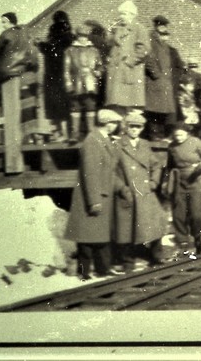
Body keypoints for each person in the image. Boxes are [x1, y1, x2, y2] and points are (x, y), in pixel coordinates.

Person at [64, 109, 124, 280]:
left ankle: (103, 269)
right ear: (107, 123)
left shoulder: (103, 140)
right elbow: (90, 173)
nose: (115, 127)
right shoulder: (92, 141)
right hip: (93, 197)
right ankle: (84, 273)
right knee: (86, 238)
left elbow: (110, 169)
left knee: (100, 235)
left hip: (102, 194)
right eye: (113, 123)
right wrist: (94, 200)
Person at [113, 112, 169, 271]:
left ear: (142, 128)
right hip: (128, 193)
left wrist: (154, 182)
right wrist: (122, 188)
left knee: (155, 224)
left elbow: (156, 164)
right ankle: (127, 261)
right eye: (132, 126)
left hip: (145, 192)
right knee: (126, 229)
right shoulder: (117, 145)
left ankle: (156, 256)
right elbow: (111, 172)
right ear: (125, 127)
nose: (135, 130)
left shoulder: (144, 144)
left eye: (138, 127)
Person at [164, 123, 201, 255]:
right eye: (176, 135)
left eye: (181, 135)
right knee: (178, 215)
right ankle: (183, 243)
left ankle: (198, 239)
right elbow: (169, 165)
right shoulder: (172, 146)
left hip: (196, 181)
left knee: (196, 214)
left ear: (187, 133)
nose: (178, 138)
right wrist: (166, 181)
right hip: (180, 182)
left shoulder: (196, 142)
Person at [144, 15, 184, 141]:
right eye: (160, 25)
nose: (163, 28)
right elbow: (148, 59)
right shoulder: (150, 40)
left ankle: (159, 135)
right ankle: (154, 135)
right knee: (154, 109)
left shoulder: (163, 44)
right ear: (156, 26)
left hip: (165, 82)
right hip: (156, 81)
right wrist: (157, 75)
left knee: (162, 110)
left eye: (165, 26)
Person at [105, 0, 149, 114]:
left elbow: (144, 49)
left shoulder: (139, 29)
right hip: (117, 74)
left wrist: (129, 62)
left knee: (133, 109)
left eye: (123, 14)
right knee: (117, 108)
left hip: (131, 73)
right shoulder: (117, 30)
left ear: (132, 14)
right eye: (120, 14)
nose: (121, 16)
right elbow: (110, 45)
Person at [63, 21, 104, 143]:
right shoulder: (70, 51)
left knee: (90, 106)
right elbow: (66, 70)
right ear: (77, 36)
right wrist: (69, 84)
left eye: (85, 36)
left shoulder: (94, 50)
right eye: (80, 36)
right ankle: (75, 134)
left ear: (88, 37)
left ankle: (91, 133)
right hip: (76, 83)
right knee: (75, 107)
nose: (83, 39)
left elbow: (100, 65)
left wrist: (99, 72)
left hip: (91, 83)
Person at [37, 11, 73, 142]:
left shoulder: (55, 34)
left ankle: (59, 133)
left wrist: (40, 45)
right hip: (61, 73)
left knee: (55, 104)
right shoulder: (69, 35)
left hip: (54, 73)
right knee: (61, 104)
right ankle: (63, 133)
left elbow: (52, 49)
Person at [0, 12, 37, 92]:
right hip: (21, 70)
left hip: (5, 72)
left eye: (4, 22)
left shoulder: (6, 34)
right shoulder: (25, 33)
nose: (3, 25)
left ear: (10, 21)